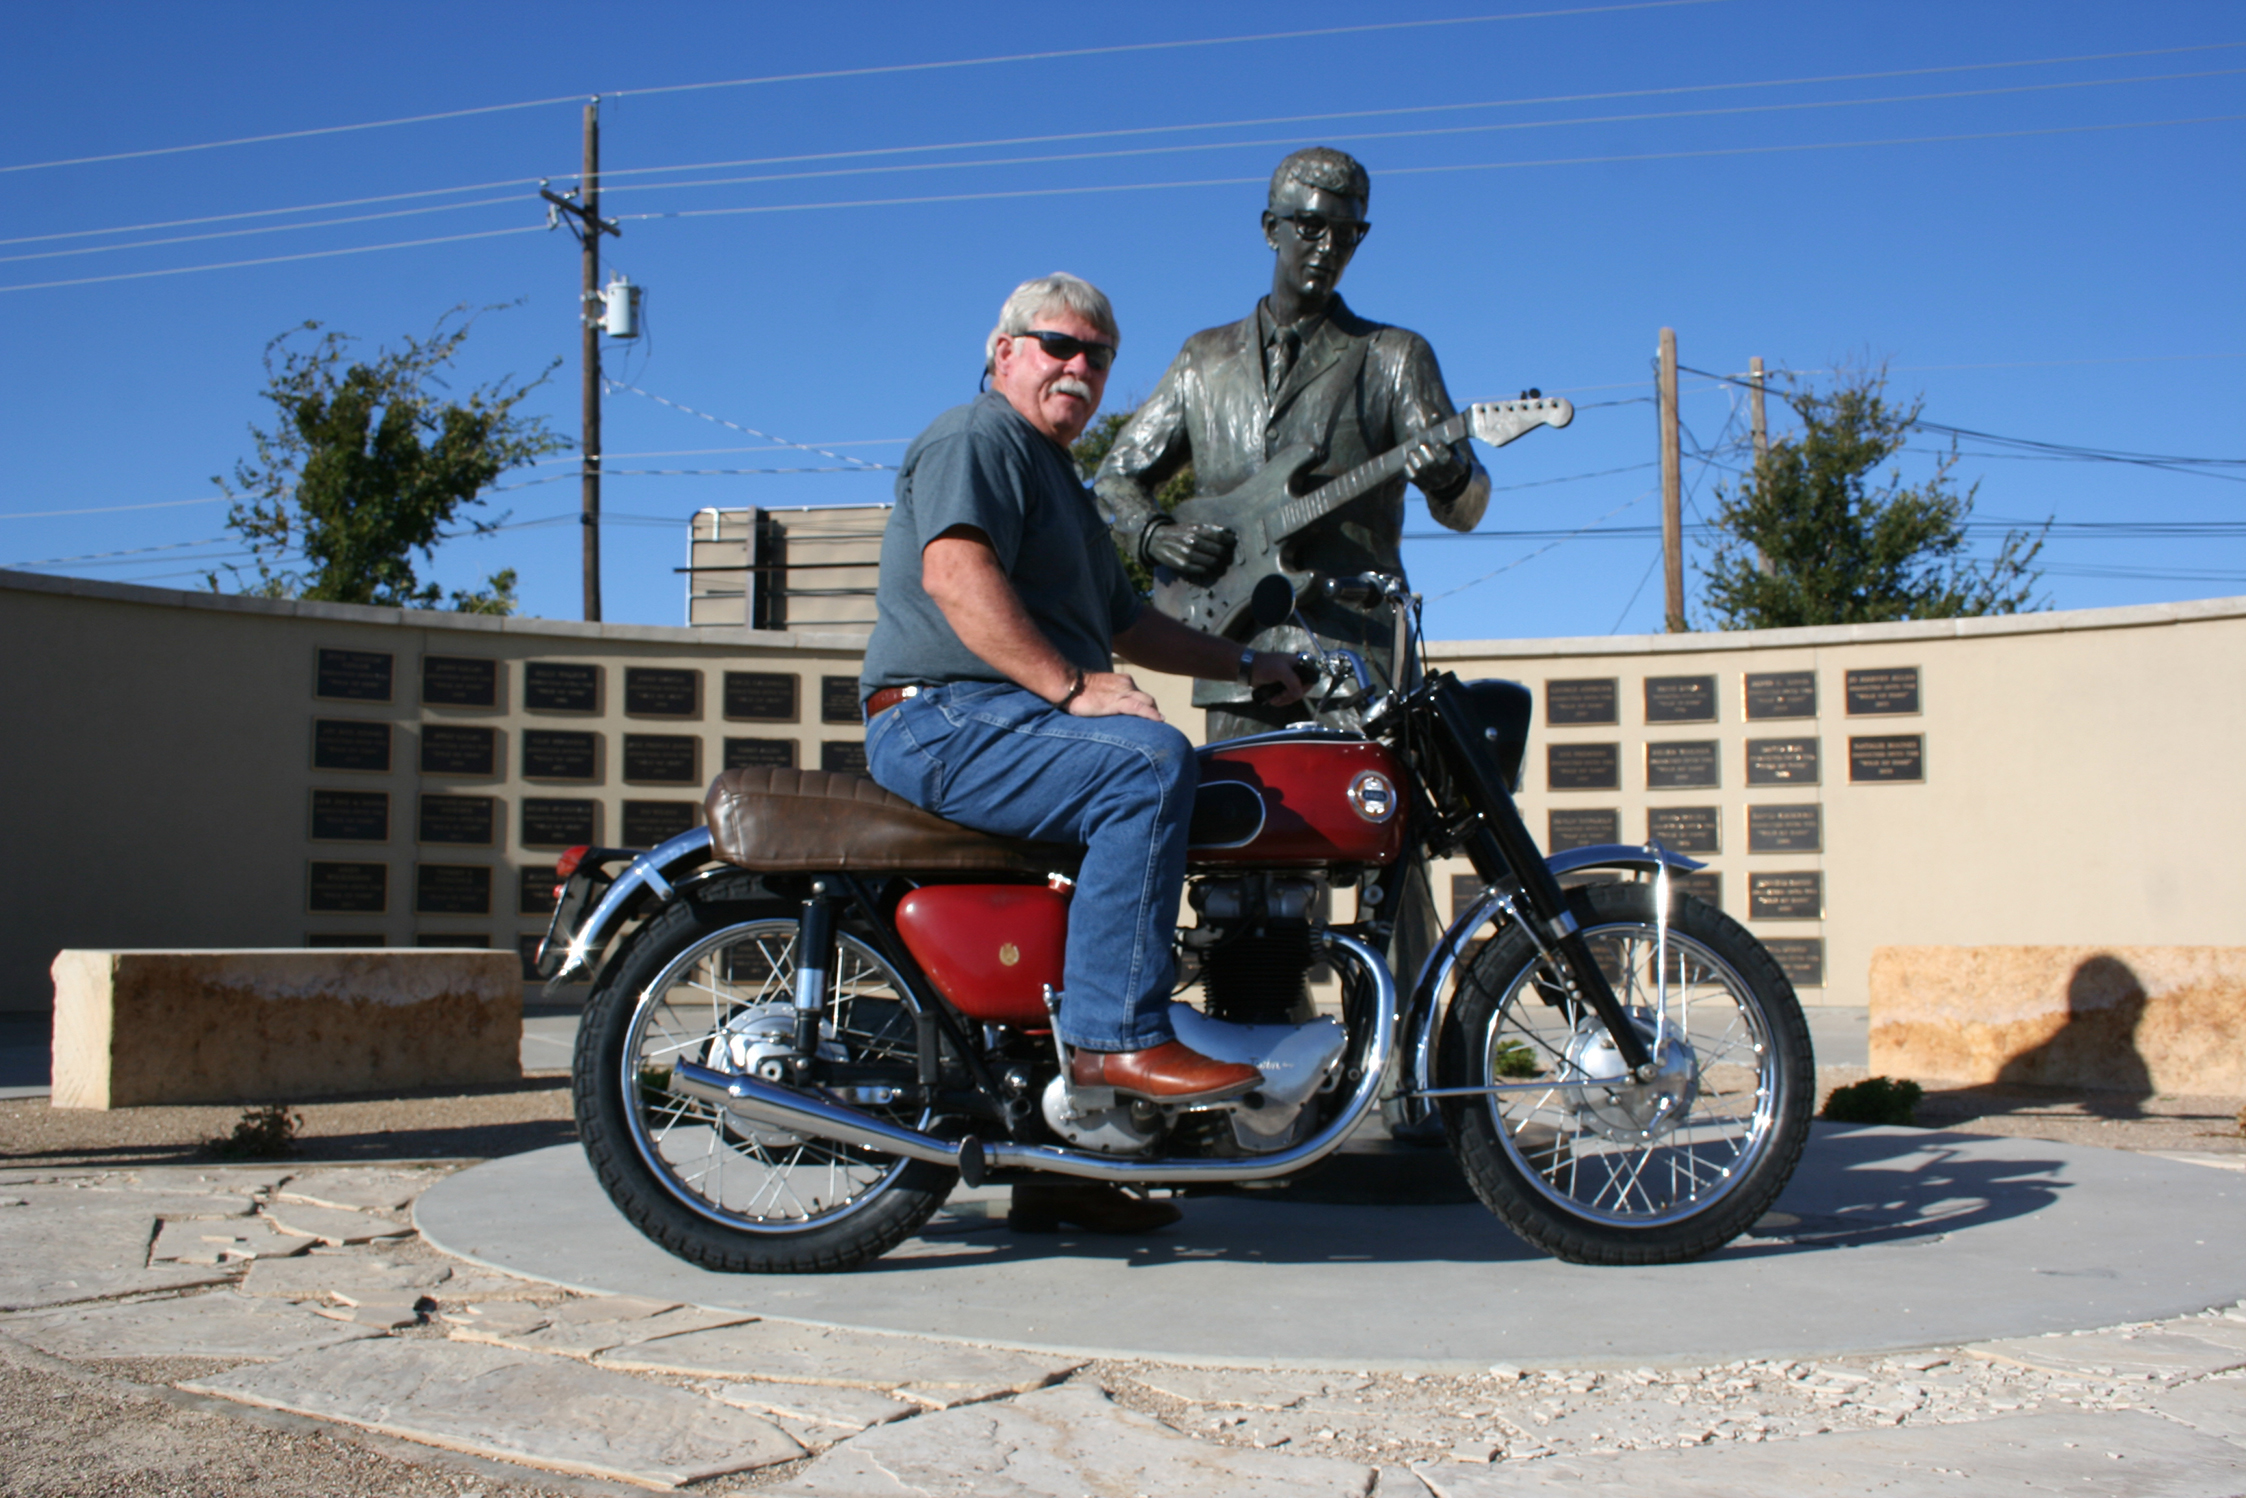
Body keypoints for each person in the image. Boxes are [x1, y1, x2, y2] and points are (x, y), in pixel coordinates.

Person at [859, 272, 1310, 1234]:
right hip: (944, 713)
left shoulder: (1060, 479)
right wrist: (1074, 688)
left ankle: (1073, 1164)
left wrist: (1249, 662)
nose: (1076, 366)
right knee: (1146, 763)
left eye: (1095, 355)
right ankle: (1117, 1040)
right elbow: (955, 573)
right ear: (1004, 351)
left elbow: (1129, 623)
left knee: (1129, 794)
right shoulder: (977, 437)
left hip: (1007, 721)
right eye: (1057, 346)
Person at [1091, 145, 1491, 743]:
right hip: (1231, 647)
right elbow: (1113, 480)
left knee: (1372, 819)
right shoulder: (1204, 359)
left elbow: (1468, 507)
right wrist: (1153, 534)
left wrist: (1449, 479)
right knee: (1242, 819)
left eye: (1348, 233)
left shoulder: (1395, 357)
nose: (1328, 247)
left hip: (1356, 652)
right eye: (1310, 226)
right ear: (1270, 228)